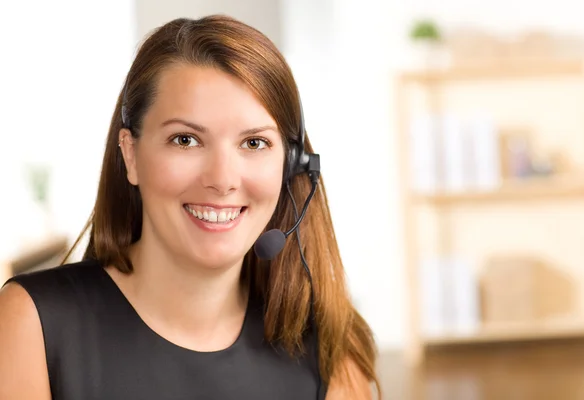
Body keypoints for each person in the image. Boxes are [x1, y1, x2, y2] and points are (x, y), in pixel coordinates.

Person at [0, 15, 380, 400]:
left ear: (292, 164)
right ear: (131, 155)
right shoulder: (33, 325)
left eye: (253, 143)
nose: (222, 178)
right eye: (185, 140)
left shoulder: (330, 351)